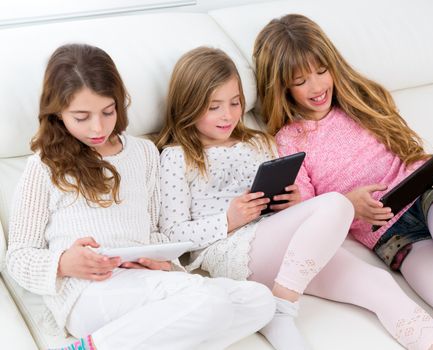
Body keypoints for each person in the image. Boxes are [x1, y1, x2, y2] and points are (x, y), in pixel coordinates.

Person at [156, 46, 433, 350]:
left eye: (235, 103)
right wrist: (228, 220)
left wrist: (293, 201)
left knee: (378, 285)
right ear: (188, 106)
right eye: (214, 107)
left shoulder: (259, 141)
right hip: (234, 250)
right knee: (337, 203)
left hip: (290, 250)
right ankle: (283, 306)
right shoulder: (175, 157)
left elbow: (289, 207)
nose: (228, 115)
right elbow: (171, 234)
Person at [254, 13, 433, 330]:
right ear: (282, 88)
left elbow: (410, 152)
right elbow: (311, 215)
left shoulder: (363, 98)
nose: (316, 87)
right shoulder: (289, 139)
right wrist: (348, 203)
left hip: (430, 197)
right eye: (300, 81)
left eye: (321, 71)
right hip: (393, 238)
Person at [6, 43, 275, 350]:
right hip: (88, 290)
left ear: (119, 104)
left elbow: (155, 233)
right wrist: (64, 263)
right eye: (82, 117)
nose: (98, 127)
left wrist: (164, 263)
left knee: (259, 300)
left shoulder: (144, 153)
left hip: (145, 281)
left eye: (108, 112)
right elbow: (18, 256)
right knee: (210, 301)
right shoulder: (43, 166)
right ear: (57, 113)